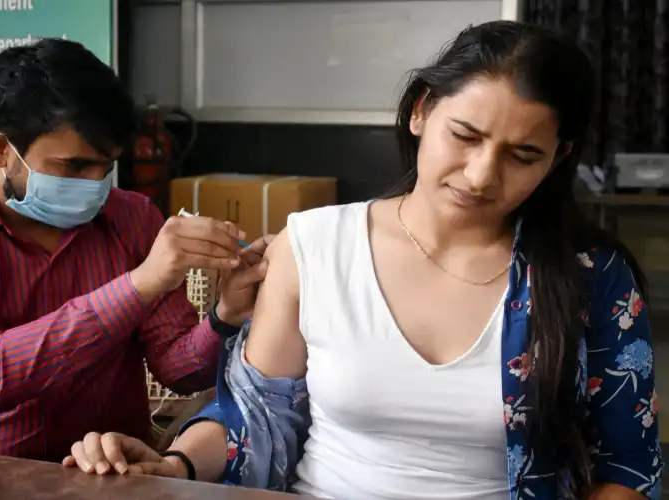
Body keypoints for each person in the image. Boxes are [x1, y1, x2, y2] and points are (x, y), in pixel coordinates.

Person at [64, 21, 663, 499]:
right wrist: (174, 465)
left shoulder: (591, 277)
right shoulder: (315, 246)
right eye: (466, 135)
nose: (482, 176)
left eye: (523, 155)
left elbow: (629, 467)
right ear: (422, 111)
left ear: (557, 158)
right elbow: (257, 417)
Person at [0, 38, 271, 463]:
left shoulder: (132, 218)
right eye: (74, 167)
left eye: (106, 168)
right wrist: (138, 286)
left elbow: (178, 371)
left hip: (112, 472)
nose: (93, 186)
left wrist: (227, 315)